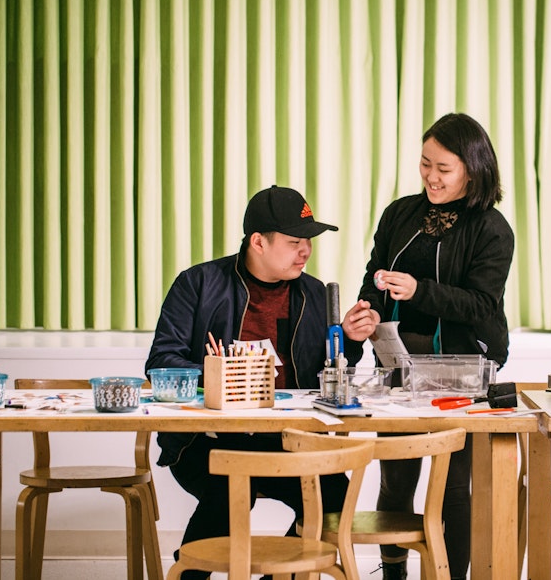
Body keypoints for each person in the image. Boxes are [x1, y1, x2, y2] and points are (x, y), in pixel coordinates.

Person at [146, 185, 379, 580]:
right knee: (229, 487)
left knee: (335, 498)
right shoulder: (197, 284)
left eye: (308, 242)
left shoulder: (315, 294)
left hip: (287, 438)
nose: (305, 251)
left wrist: (351, 341)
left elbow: (331, 371)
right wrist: (226, 373)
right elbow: (161, 364)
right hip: (206, 440)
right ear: (258, 241)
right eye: (293, 242)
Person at [356, 112, 515, 580]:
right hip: (400, 366)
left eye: (443, 168)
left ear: (473, 168)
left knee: (453, 486)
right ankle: (393, 574)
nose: (431, 176)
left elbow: (483, 303)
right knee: (397, 477)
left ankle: (449, 576)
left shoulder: (491, 228)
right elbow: (375, 276)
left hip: (464, 372)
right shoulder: (400, 213)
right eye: (425, 163)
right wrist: (366, 310)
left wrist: (418, 290)